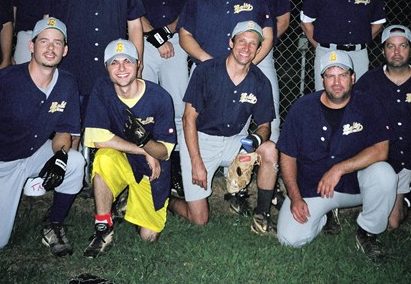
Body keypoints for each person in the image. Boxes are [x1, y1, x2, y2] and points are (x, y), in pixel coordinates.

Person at [0, 17, 85, 256]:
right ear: (31, 46)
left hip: (32, 153)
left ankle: (54, 225)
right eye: (44, 42)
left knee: (76, 161)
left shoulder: (67, 83)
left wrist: (59, 158)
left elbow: (64, 131)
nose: (50, 48)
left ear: (65, 50)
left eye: (57, 43)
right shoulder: (4, 80)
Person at [177, 0, 274, 214]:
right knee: (195, 119)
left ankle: (237, 188)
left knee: (241, 128)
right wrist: (210, 64)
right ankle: (185, 179)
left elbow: (267, 35)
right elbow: (184, 34)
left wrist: (247, 64)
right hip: (206, 69)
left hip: (243, 71)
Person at [276, 50, 397, 262]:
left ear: (352, 77)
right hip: (313, 186)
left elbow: (381, 150)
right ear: (322, 79)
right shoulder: (302, 108)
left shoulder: (368, 104)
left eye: (342, 74)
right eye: (330, 75)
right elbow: (287, 156)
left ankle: (368, 233)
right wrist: (294, 196)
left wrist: (339, 168)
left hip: (354, 184)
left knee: (385, 174)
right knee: (289, 239)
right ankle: (324, 216)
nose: (337, 82)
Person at [169, 21, 278, 236]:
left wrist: (250, 145)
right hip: (200, 141)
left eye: (253, 44)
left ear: (258, 49)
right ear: (231, 42)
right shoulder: (206, 71)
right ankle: (167, 200)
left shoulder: (260, 81)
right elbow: (188, 119)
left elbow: (265, 125)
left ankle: (261, 216)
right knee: (199, 219)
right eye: (242, 41)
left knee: (270, 151)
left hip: (235, 140)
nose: (246, 48)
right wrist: (196, 162)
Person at [82, 39, 176, 258]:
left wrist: (149, 146)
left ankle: (129, 204)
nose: (122, 68)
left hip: (152, 170)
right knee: (103, 158)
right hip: (127, 159)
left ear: (139, 65)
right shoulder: (102, 89)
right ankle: (103, 228)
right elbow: (97, 138)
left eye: (128, 61)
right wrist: (143, 149)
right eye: (114, 63)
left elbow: (164, 152)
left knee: (148, 236)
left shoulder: (160, 98)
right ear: (106, 67)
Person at [50, 0, 145, 128]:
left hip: (112, 72)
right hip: (72, 70)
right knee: (70, 131)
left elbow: (135, 26)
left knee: (113, 131)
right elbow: (51, 25)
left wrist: (137, 64)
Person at [125, 0, 196, 198]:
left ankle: (176, 169)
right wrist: (156, 36)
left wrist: (167, 34)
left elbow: (189, 7)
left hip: (175, 44)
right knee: (143, 107)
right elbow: (131, 8)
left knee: (178, 108)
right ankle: (141, 167)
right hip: (142, 42)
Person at [235, 0, 291, 143]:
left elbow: (283, 20)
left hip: (263, 54)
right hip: (232, 56)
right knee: (234, 110)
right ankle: (234, 168)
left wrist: (260, 48)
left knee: (270, 112)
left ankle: (270, 162)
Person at [356, 25, 411, 229]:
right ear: (383, 50)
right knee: (392, 223)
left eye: (403, 46)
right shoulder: (369, 82)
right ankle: (404, 200)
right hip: (387, 160)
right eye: (391, 46)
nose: (397, 52)